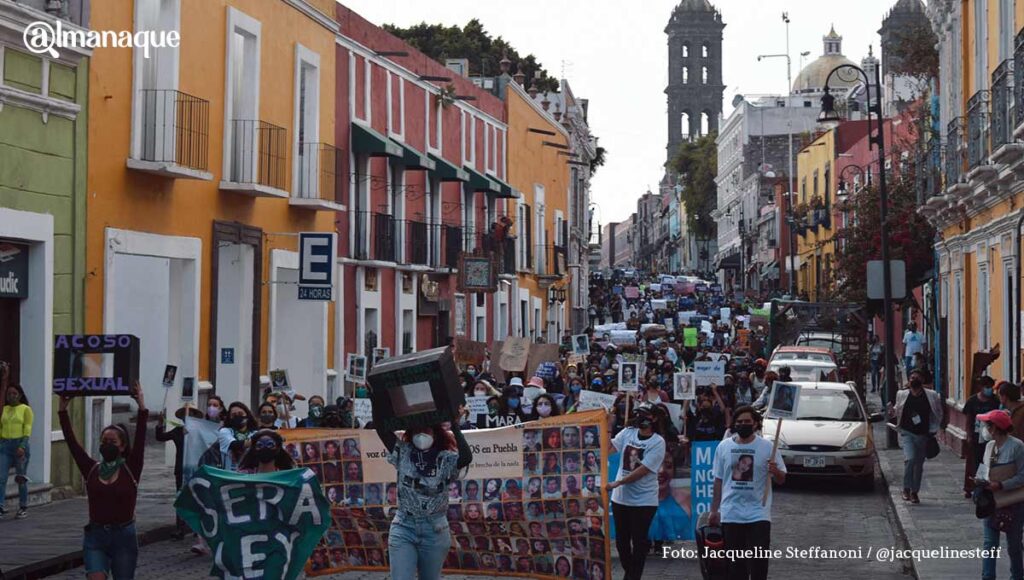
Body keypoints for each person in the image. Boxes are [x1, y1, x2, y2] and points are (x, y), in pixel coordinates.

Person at [58, 382, 148, 580]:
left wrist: (141, 405)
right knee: (96, 577)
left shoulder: (131, 469)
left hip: (123, 536)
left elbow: (141, 439)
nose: (107, 445)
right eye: (104, 442)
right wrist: (62, 410)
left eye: (112, 442)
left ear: (122, 447)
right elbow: (73, 444)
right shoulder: (91, 469)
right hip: (96, 535)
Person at [376, 418, 472, 580]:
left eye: (426, 430)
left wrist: (455, 426)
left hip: (435, 530)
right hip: (404, 527)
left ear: (435, 434)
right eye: (417, 430)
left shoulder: (445, 458)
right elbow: (381, 427)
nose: (421, 435)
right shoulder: (403, 452)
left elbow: (466, 458)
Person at [709, 406, 785, 580]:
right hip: (731, 513)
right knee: (736, 565)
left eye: (747, 422)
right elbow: (718, 480)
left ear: (756, 424)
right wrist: (714, 510)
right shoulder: (724, 447)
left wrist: (775, 471)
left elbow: (782, 478)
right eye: (740, 422)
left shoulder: (767, 447)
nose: (743, 425)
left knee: (759, 564)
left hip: (759, 513)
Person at [607, 404, 665, 580]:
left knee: (639, 543)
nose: (640, 418)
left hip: (643, 501)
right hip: (621, 499)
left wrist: (619, 482)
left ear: (653, 418)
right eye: (638, 414)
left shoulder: (658, 442)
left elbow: (644, 470)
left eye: (644, 415)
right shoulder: (627, 433)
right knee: (622, 543)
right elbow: (609, 450)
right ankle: (630, 574)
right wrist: (609, 426)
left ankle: (632, 577)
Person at [973, 409, 1024, 580]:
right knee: (990, 544)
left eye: (988, 425)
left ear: (995, 428)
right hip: (991, 502)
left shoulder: (1017, 447)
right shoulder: (989, 446)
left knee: (1014, 545)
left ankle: (1017, 576)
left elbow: (1022, 476)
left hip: (1013, 501)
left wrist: (1002, 484)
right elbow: (985, 469)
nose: (985, 428)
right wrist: (980, 481)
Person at [889, 376, 943, 504]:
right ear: (910, 388)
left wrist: (935, 428)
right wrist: (892, 412)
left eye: (918, 391)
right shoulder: (902, 394)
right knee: (910, 458)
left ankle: (915, 492)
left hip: (923, 434)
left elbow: (938, 412)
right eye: (913, 390)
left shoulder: (931, 395)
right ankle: (906, 488)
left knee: (918, 465)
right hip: (907, 432)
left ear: (921, 387)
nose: (915, 393)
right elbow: (897, 410)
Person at [155, 405, 203, 539]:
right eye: (185, 416)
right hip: (181, 469)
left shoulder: (199, 432)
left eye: (191, 415)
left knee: (197, 498)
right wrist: (160, 424)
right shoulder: (177, 431)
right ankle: (180, 528)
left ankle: (197, 527)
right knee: (181, 497)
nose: (187, 418)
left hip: (195, 468)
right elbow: (161, 437)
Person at [0, 370, 33, 520]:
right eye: (9, 393)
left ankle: (23, 506)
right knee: (1, 477)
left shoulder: (25, 409)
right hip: (5, 446)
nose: (11, 396)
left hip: (20, 445)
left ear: (19, 395)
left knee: (20, 478)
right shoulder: (5, 409)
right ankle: (0, 506)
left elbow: (27, 428)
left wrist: (23, 445)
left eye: (14, 393)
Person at [964, 376, 1001, 497]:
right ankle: (976, 487)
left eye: (991, 387)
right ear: (981, 387)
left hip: (991, 436)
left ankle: (986, 484)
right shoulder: (972, 401)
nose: (989, 389)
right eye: (987, 387)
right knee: (976, 461)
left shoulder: (996, 401)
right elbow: (969, 420)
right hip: (976, 436)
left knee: (989, 461)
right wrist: (969, 435)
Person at [219, 402, 257, 472]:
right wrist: (256, 440)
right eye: (234, 415)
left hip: (250, 476)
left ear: (247, 415)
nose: (237, 417)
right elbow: (235, 445)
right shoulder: (225, 431)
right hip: (229, 475)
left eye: (240, 414)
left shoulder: (255, 433)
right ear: (229, 418)